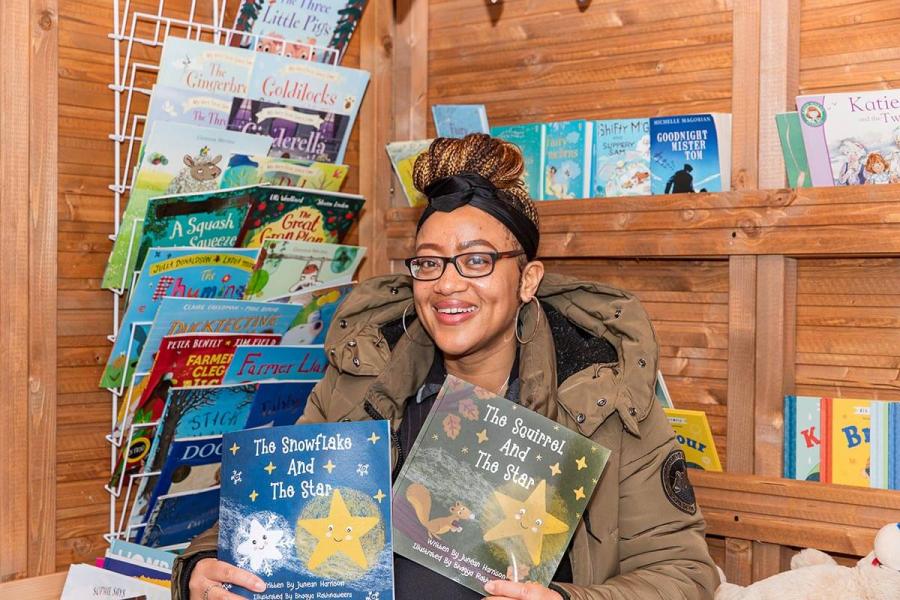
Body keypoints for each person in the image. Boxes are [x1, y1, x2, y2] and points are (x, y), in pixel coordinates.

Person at [172, 134, 720, 600]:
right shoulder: (366, 377)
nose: (448, 283)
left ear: (527, 280)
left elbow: (685, 572)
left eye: (477, 260)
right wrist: (197, 569)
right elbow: (273, 516)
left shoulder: (601, 392)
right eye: (429, 262)